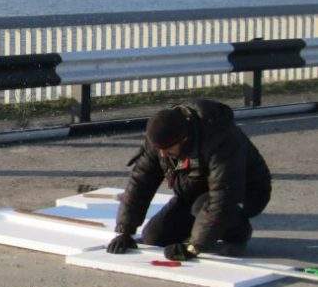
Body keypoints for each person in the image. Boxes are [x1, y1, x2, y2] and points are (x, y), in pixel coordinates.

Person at [106, 99, 272, 260]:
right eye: (159, 150)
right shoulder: (161, 139)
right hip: (195, 191)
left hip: (244, 192)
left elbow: (224, 197)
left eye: (168, 150)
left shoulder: (219, 138)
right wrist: (126, 231)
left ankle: (238, 233)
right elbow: (141, 181)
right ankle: (202, 230)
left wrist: (194, 247)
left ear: (184, 139)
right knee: (153, 237)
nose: (162, 155)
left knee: (204, 207)